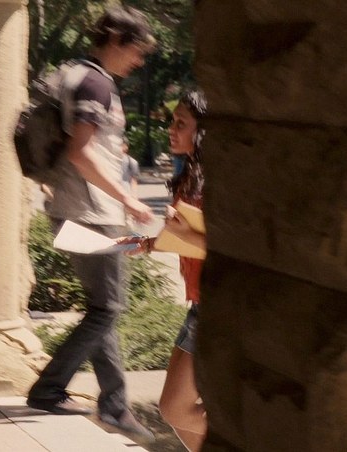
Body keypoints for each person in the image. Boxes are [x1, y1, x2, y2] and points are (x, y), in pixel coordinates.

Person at [24, 5, 156, 441]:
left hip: (73, 209)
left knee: (104, 307)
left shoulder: (74, 73)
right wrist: (128, 199)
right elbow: (81, 153)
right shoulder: (95, 83)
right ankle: (50, 389)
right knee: (109, 308)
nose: (139, 61)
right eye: (137, 51)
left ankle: (114, 405)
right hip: (91, 213)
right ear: (116, 40)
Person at [130, 90, 208, 451]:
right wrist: (147, 244)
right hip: (198, 304)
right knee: (173, 408)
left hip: (217, 310)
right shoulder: (191, 173)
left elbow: (231, 249)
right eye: (172, 122)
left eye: (181, 124)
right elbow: (187, 238)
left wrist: (183, 233)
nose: (171, 130)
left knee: (176, 408)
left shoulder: (217, 179)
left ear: (202, 131)